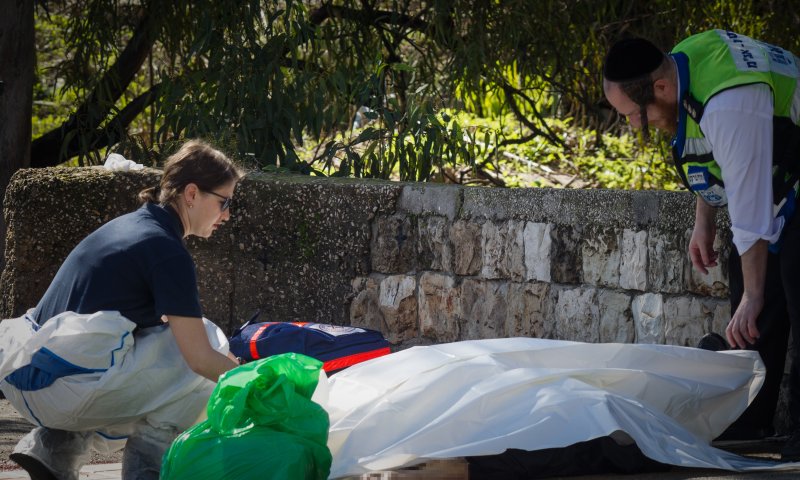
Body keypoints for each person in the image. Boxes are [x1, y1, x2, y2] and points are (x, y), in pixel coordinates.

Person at [602, 31, 800, 459]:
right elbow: (711, 157)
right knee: (749, 281)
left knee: (790, 277)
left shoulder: (730, 101)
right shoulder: (682, 68)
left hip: (787, 177)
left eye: (634, 114)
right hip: (781, 178)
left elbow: (749, 214)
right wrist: (703, 221)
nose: (635, 125)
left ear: (660, 89)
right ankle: (751, 416)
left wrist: (753, 294)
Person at [0, 139, 244, 479]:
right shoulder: (167, 252)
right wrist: (252, 382)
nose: (228, 214)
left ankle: (52, 451)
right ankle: (146, 470)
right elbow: (200, 358)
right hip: (59, 389)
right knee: (210, 346)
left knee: (151, 350)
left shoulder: (132, 226)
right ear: (191, 194)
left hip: (26, 378)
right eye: (224, 202)